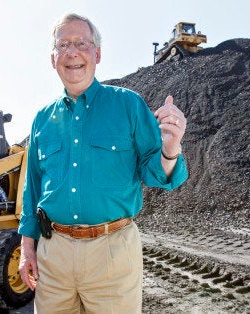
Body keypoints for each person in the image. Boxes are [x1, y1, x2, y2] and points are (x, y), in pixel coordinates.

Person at [18, 13, 188, 313]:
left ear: (97, 54)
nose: (72, 52)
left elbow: (156, 173)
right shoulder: (42, 119)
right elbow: (32, 188)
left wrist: (171, 149)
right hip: (52, 253)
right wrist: (26, 247)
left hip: (112, 252)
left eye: (81, 43)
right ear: (53, 58)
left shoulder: (128, 105)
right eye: (63, 45)